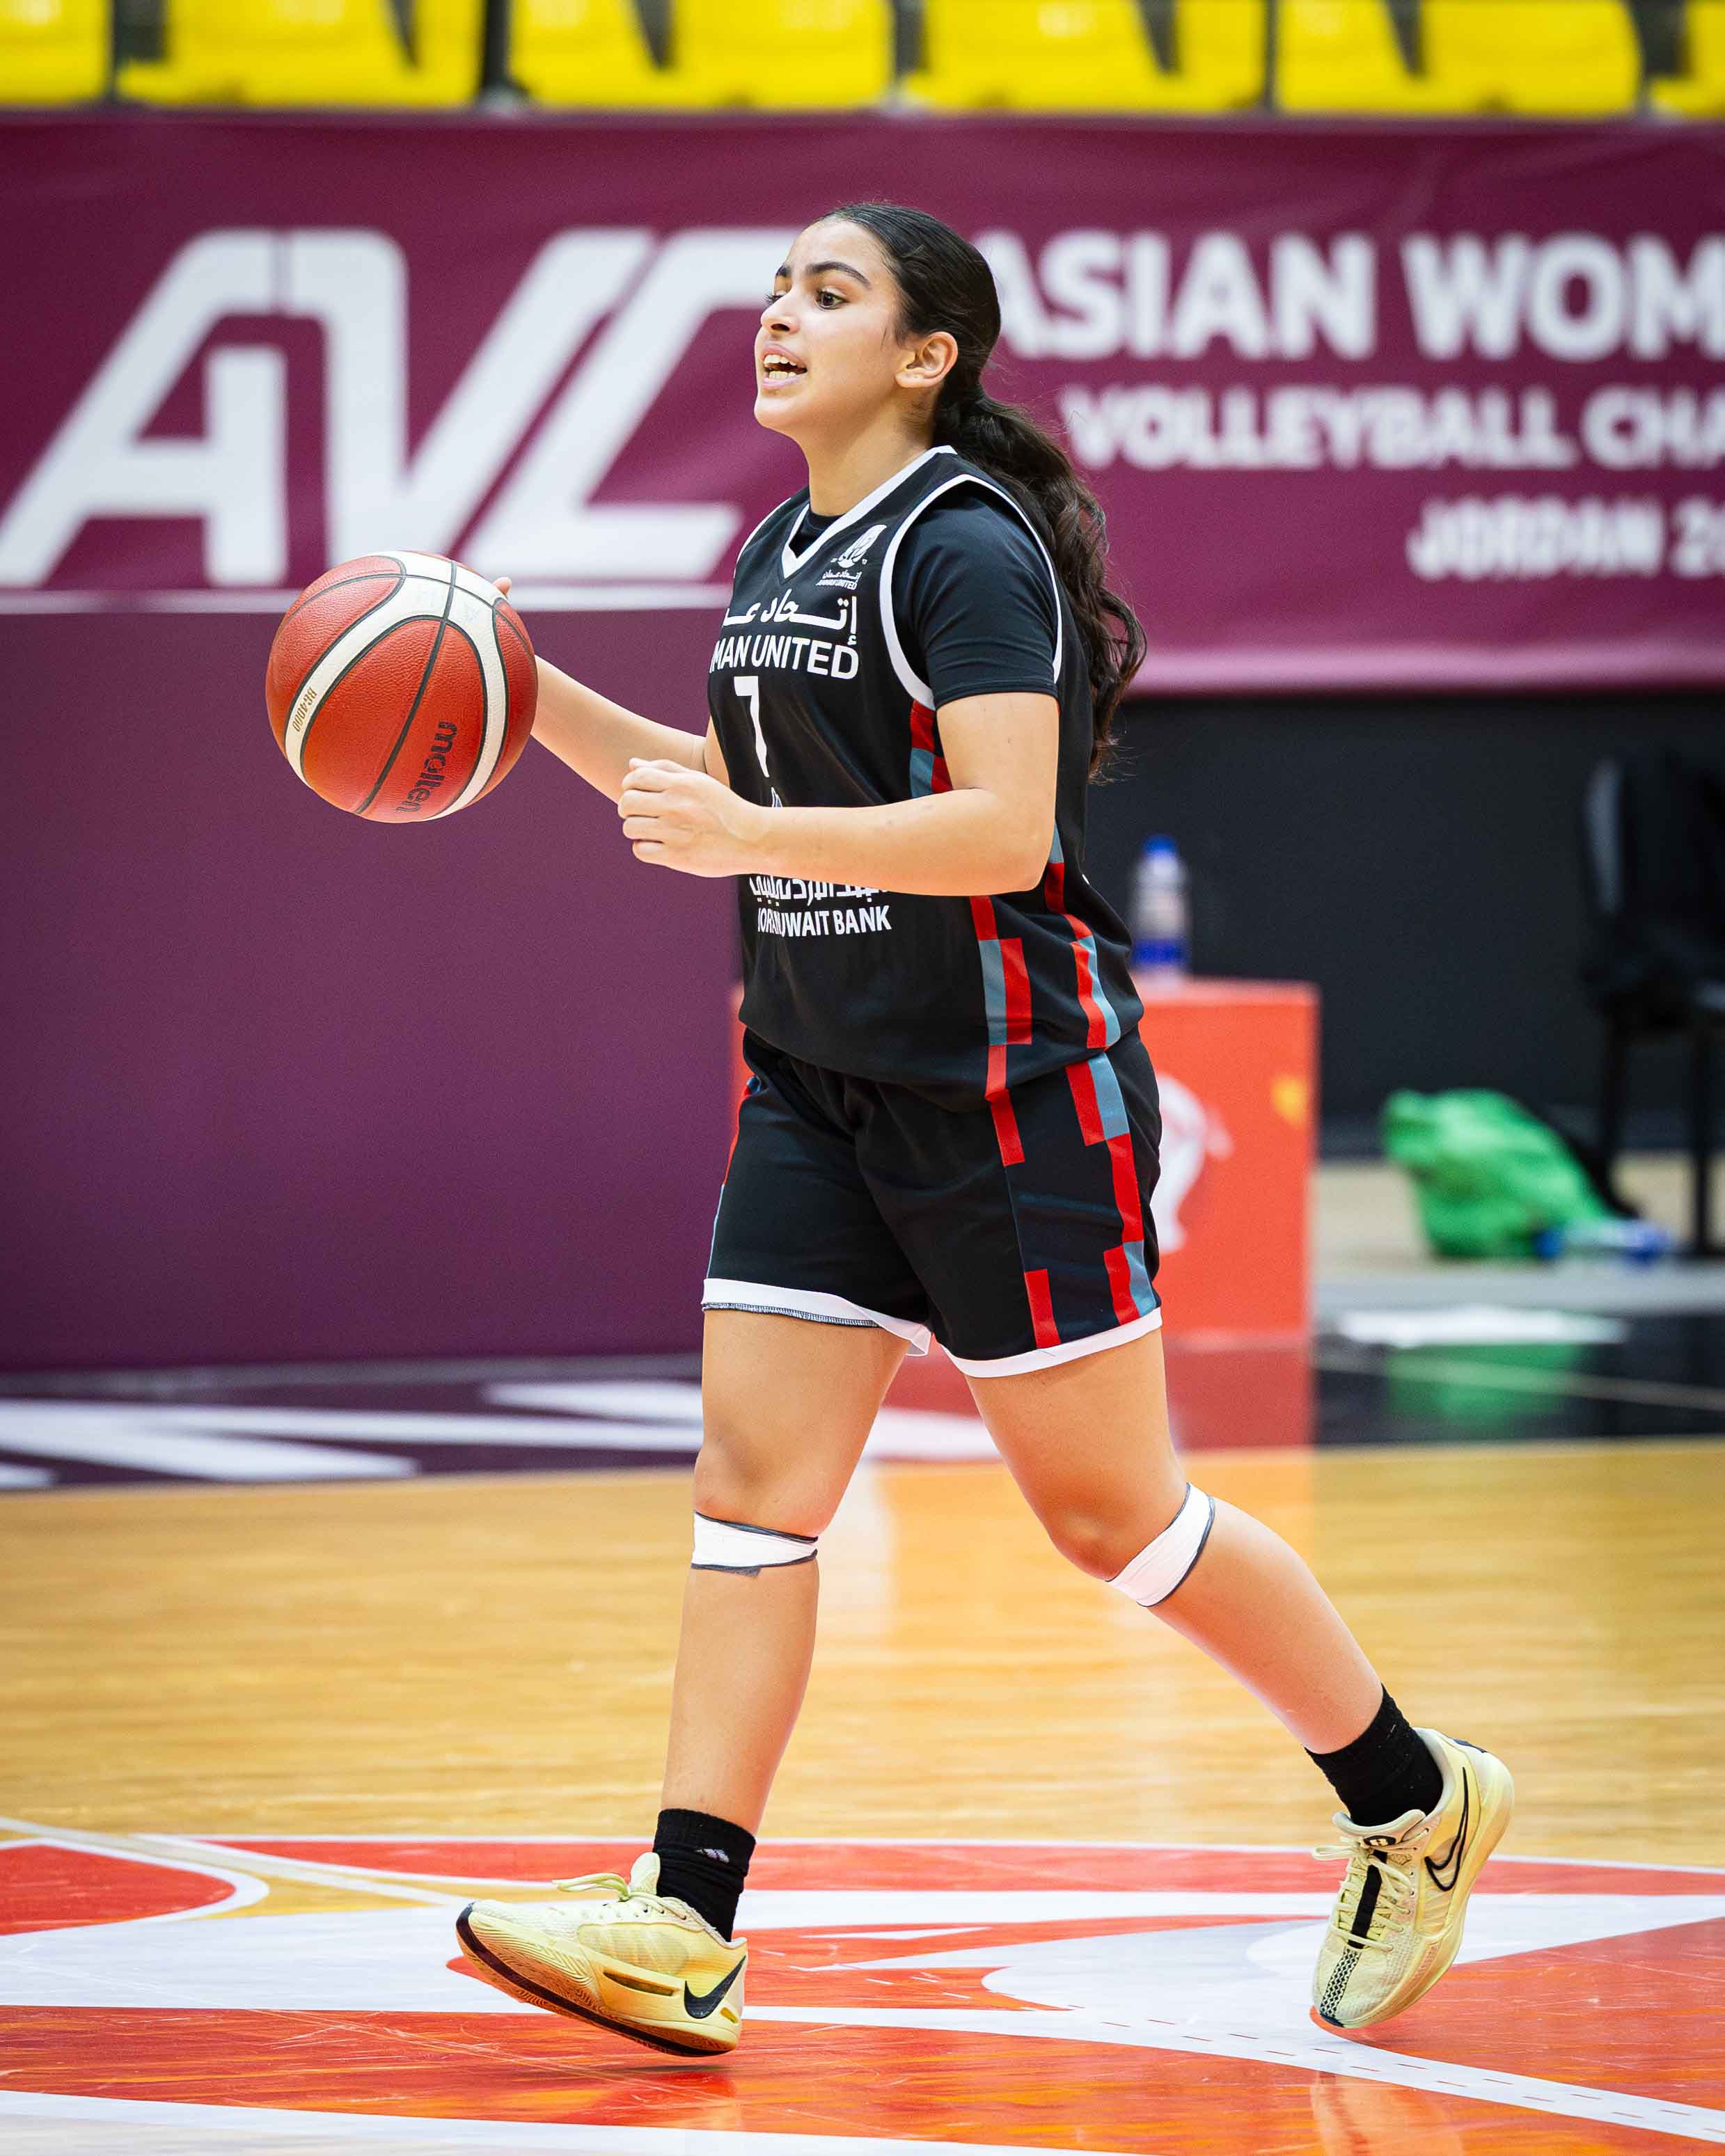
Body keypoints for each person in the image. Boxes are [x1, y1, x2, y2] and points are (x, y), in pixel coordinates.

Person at [453, 202, 1512, 2056]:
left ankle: (1416, 1798)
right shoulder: (779, 545)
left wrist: (751, 836)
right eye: (775, 288)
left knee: (1116, 1520)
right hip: (819, 1081)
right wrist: (519, 692)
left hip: (1008, 1089)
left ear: (926, 352)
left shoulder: (963, 545)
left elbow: (1005, 829)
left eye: (830, 292)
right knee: (750, 1490)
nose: (780, 314)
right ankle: (684, 1919)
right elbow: (730, 790)